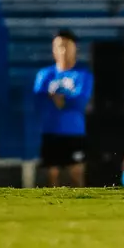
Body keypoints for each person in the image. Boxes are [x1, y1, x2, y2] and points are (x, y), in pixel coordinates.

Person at [34, 29, 92, 187]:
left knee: (76, 175)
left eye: (67, 46)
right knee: (51, 176)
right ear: (53, 49)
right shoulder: (44, 75)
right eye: (59, 46)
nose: (63, 50)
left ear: (75, 49)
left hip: (74, 132)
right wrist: (61, 100)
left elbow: (79, 102)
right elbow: (39, 101)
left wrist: (56, 98)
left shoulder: (83, 75)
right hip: (50, 131)